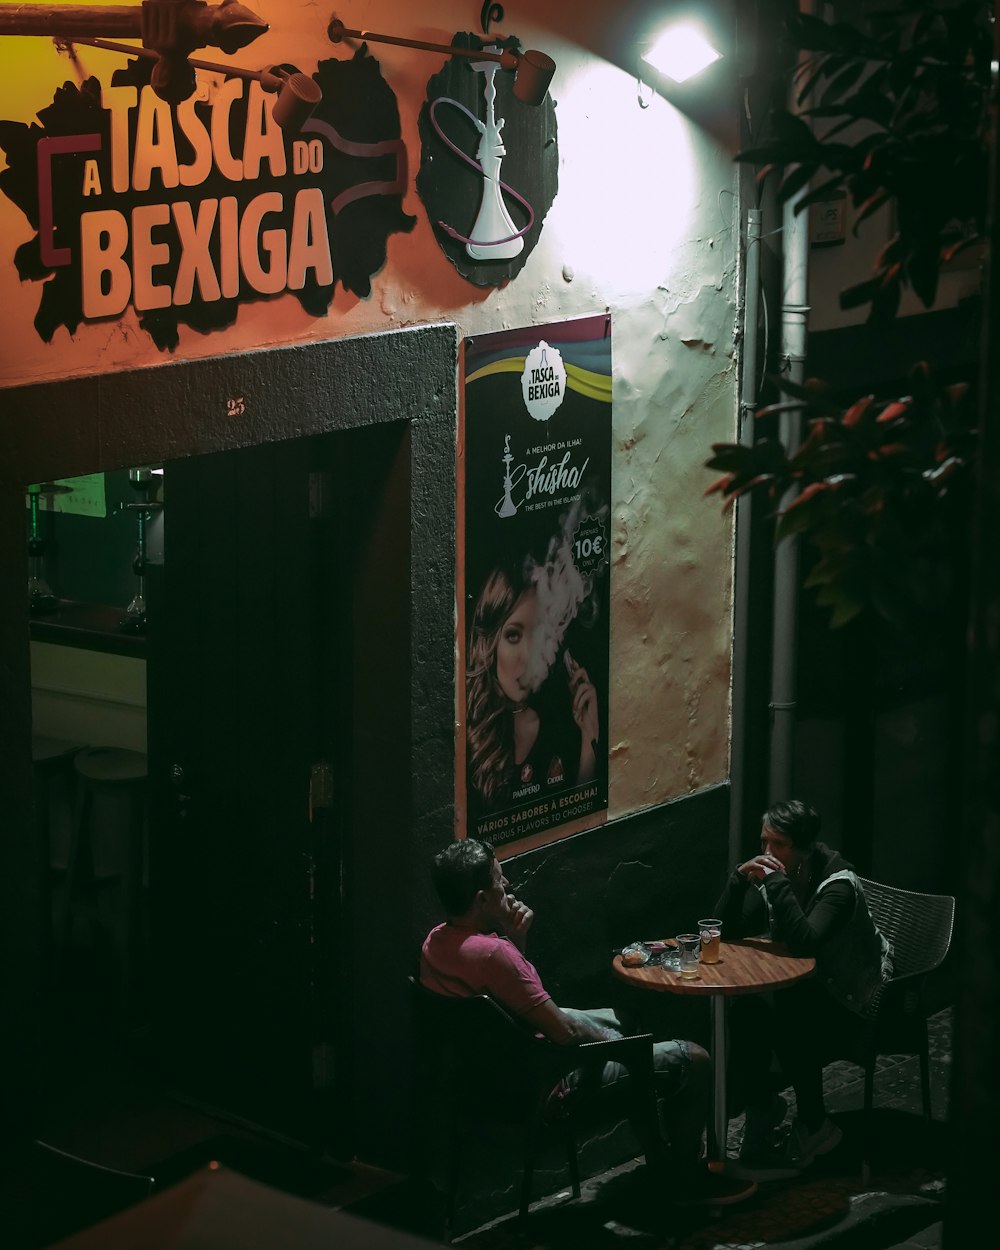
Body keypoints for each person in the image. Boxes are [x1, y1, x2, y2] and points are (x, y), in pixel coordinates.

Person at [420, 838, 756, 1206]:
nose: (507, 887)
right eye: (500, 881)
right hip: (547, 1088)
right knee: (693, 1059)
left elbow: (511, 1003)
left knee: (626, 1026)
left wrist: (514, 940)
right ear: (482, 899)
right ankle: (687, 1181)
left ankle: (662, 1165)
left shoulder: (435, 944)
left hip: (484, 1088)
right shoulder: (494, 954)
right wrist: (613, 1043)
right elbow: (563, 1033)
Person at [713, 800, 893, 1179]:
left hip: (852, 997)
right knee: (746, 1011)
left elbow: (805, 941)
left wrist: (775, 882)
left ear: (803, 848)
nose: (767, 854)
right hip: (804, 988)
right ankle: (763, 1108)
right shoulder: (780, 875)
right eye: (764, 843)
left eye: (778, 845)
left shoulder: (838, 886)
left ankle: (815, 1125)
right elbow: (728, 934)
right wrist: (738, 880)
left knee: (792, 1015)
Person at [466, 563, 599, 813]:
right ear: (489, 643)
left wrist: (589, 737)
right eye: (513, 636)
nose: (528, 658)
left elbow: (578, 816)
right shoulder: (468, 731)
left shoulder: (558, 726)